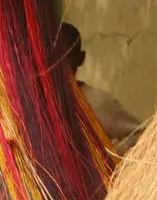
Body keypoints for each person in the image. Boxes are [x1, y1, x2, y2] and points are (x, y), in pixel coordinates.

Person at [56, 22, 141, 154]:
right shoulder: (37, 104)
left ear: (81, 58)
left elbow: (141, 135)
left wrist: (110, 154)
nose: (60, 64)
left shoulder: (96, 101)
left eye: (65, 57)